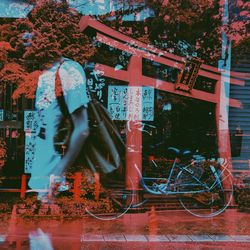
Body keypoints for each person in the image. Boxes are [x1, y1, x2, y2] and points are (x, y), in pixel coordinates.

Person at [28, 57, 89, 202]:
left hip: (57, 182)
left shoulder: (68, 69)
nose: (26, 37)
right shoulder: (45, 73)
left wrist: (57, 175)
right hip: (41, 180)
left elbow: (82, 128)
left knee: (58, 222)